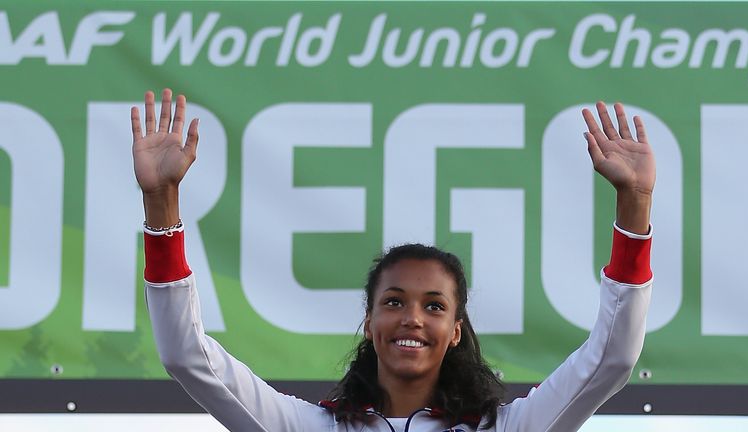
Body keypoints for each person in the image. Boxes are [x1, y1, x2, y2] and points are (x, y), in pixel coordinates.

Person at [132, 89, 654, 432]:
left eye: (434, 306)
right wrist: (162, 204)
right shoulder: (310, 427)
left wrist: (634, 206)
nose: (412, 318)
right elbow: (186, 356)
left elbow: (611, 360)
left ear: (456, 330)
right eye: (394, 301)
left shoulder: (508, 427)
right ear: (369, 321)